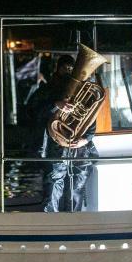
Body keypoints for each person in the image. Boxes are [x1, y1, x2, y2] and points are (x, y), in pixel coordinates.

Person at [38, 55, 99, 213]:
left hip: (80, 149)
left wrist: (85, 140)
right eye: (64, 68)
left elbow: (91, 118)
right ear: (57, 69)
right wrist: (56, 105)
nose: (68, 71)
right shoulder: (47, 89)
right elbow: (34, 112)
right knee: (53, 184)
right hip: (56, 146)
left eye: (71, 69)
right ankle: (50, 220)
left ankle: (74, 219)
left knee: (77, 187)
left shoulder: (84, 92)